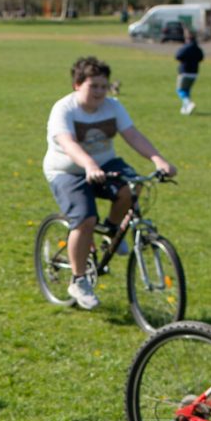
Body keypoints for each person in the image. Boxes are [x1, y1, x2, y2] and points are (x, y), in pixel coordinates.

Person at [44, 55, 175, 311]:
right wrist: (89, 165)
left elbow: (132, 135)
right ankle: (78, 280)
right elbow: (68, 144)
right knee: (85, 220)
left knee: (134, 188)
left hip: (105, 164)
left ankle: (113, 232)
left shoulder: (113, 107)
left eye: (104, 86)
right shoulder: (64, 109)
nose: (100, 92)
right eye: (93, 86)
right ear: (77, 85)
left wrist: (159, 160)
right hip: (67, 170)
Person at [174, 31, 205, 115]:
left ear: (187, 39)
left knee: (180, 90)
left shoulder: (186, 47)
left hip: (185, 72)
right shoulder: (197, 48)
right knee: (187, 90)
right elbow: (201, 57)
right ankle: (185, 109)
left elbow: (178, 56)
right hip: (194, 73)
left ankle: (188, 103)